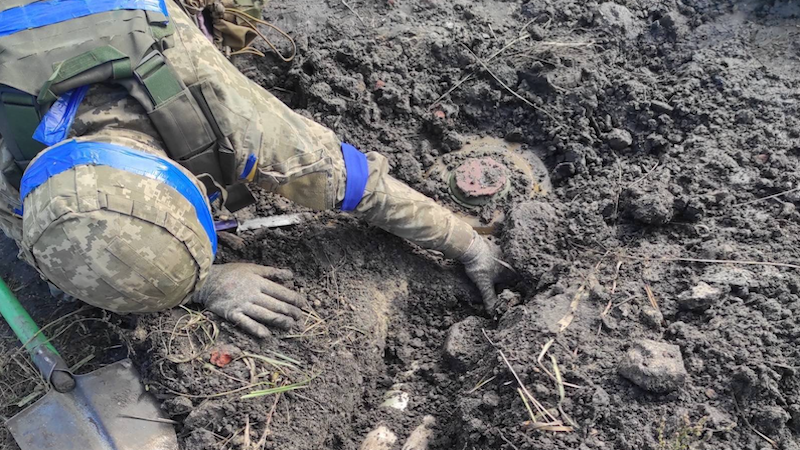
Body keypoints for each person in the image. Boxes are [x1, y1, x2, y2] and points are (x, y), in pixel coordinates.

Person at [0, 0, 506, 338]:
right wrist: (203, 282)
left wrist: (470, 245)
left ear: (194, 189)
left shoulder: (224, 111)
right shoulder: (12, 188)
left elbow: (356, 184)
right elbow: (67, 248)